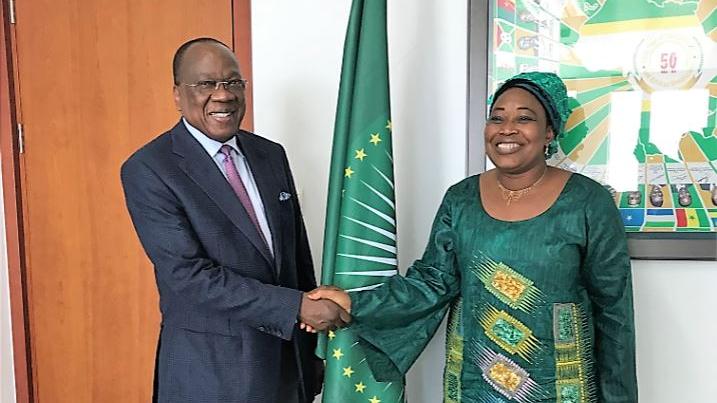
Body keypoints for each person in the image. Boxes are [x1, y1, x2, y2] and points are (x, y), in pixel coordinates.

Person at [306, 72, 638, 402]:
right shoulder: (461, 198)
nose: (507, 129)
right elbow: (432, 282)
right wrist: (355, 302)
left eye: (524, 118)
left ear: (549, 131)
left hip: (561, 391)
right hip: (473, 388)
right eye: (497, 118)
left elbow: (614, 313)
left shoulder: (588, 201)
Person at [121, 37, 349, 403]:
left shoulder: (270, 154)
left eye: (233, 82)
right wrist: (295, 307)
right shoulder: (150, 169)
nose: (223, 95)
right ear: (178, 94)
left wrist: (311, 353)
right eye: (206, 84)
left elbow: (296, 259)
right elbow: (188, 275)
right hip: (211, 375)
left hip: (287, 367)